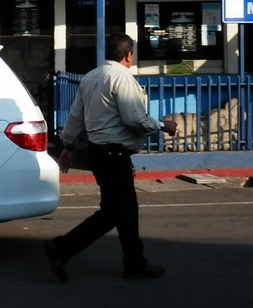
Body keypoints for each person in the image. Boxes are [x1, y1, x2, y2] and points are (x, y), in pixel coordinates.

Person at [44, 34, 177, 282]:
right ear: (128, 55)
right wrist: (162, 125)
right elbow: (134, 118)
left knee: (126, 209)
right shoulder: (122, 78)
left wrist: (68, 146)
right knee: (115, 212)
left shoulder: (91, 77)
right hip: (114, 155)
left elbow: (76, 116)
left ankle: (135, 262)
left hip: (98, 153)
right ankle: (62, 247)